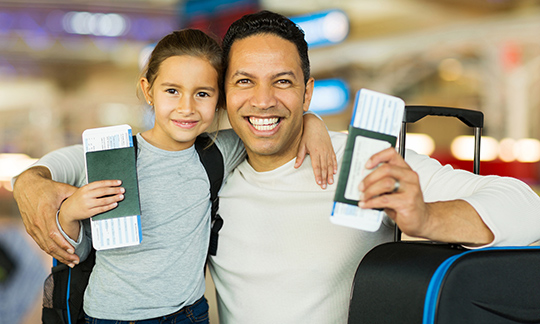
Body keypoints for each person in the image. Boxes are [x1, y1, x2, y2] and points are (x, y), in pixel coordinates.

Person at [13, 10, 540, 324]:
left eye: (283, 81)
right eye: (245, 81)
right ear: (223, 97)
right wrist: (31, 183)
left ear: (307, 92)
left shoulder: (363, 157)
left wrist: (427, 218)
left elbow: (527, 208)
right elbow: (72, 161)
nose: (263, 101)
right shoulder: (210, 160)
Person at [16, 28, 335, 323]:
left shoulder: (217, 152)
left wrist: (312, 122)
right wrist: (70, 211)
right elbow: (76, 252)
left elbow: (270, 125)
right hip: (110, 315)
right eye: (172, 91)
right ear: (148, 90)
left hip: (189, 315)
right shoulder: (110, 156)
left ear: (219, 99)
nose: (187, 107)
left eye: (203, 94)